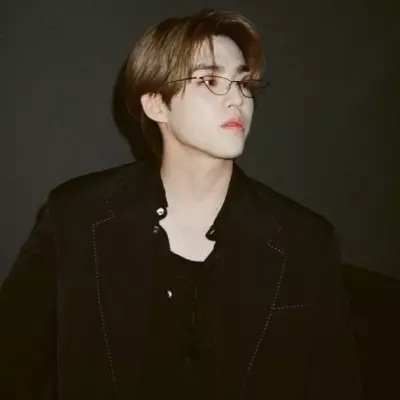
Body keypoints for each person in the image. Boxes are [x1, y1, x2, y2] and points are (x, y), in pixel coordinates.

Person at [0, 8, 362, 400]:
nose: (237, 99)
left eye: (243, 82)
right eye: (209, 80)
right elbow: (14, 355)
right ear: (156, 104)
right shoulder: (76, 214)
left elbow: (333, 382)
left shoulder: (304, 239)